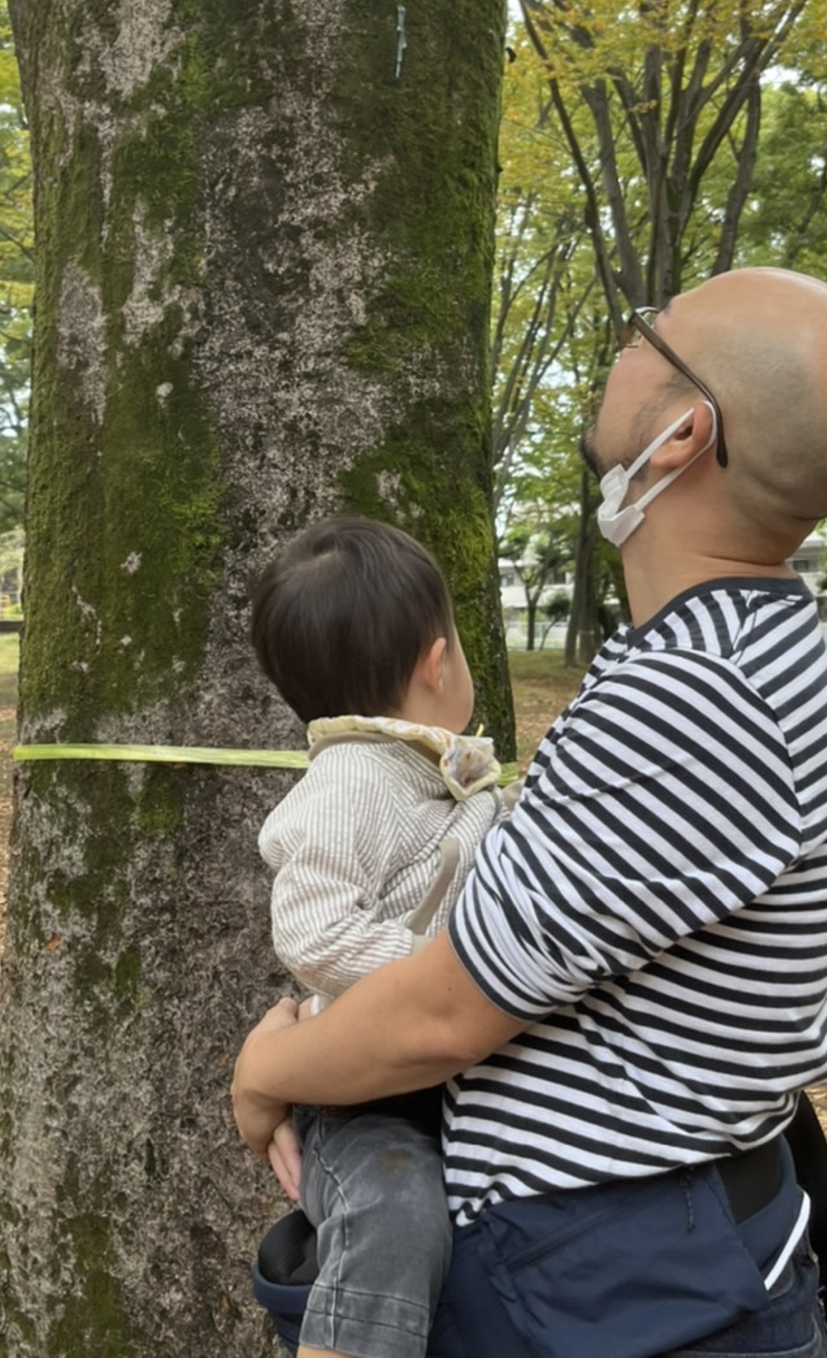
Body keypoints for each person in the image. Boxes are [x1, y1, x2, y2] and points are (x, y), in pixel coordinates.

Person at [234, 268, 827, 1358]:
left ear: (683, 434)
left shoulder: (697, 693)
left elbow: (442, 1014)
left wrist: (263, 1071)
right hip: (631, 1266)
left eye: (649, 334)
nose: (622, 347)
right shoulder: (712, 650)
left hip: (628, 1289)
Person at [250, 516, 508, 1358]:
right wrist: (442, 973)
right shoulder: (353, 779)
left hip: (448, 1081)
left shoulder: (438, 771)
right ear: (438, 663)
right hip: (361, 1097)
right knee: (395, 1209)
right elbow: (310, 927)